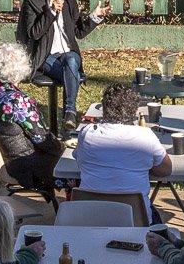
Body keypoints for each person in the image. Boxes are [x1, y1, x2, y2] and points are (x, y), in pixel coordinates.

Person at [16, 0, 107, 130]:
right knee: (70, 66)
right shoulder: (32, 0)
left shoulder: (70, 0)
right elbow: (33, 33)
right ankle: (70, 115)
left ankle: (69, 113)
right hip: (46, 58)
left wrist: (96, 17)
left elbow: (78, 32)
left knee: (71, 60)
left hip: (68, 55)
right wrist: (50, 12)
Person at [0, 41, 65, 196]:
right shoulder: (18, 100)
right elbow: (43, 139)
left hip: (3, 161)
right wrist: (63, 146)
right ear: (22, 68)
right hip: (25, 166)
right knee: (76, 165)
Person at [73, 83, 172, 217]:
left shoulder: (87, 133)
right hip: (136, 222)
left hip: (89, 218)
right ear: (136, 111)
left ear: (103, 109)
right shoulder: (146, 136)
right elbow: (165, 169)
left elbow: (80, 161)